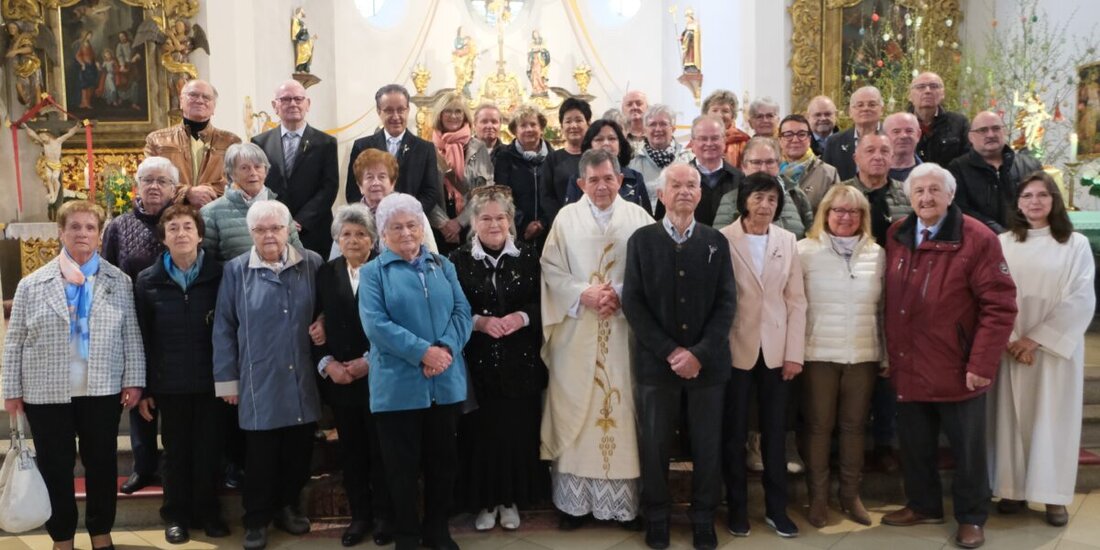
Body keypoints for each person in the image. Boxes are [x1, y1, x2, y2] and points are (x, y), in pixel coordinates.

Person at [882, 163, 1017, 550]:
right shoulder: (897, 233)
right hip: (908, 361)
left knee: (967, 451)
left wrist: (981, 363)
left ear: (950, 195)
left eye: (934, 191)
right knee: (916, 444)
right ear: (909, 197)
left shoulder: (978, 238)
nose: (926, 198)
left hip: (957, 365)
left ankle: (972, 518)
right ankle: (923, 504)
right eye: (919, 191)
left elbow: (1000, 305)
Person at [2, 200, 145, 550]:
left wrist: (134, 379)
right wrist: (11, 390)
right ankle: (62, 537)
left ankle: (101, 533)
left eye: (89, 227)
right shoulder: (32, 284)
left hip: (102, 387)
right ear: (61, 232)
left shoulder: (118, 281)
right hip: (45, 392)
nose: (82, 233)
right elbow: (15, 340)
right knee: (55, 466)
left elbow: (131, 335)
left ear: (99, 234)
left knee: (101, 464)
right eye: (75, 227)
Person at [622, 163, 736, 550]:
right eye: (676, 185)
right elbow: (633, 303)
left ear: (700, 195)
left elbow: (726, 304)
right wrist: (672, 352)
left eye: (692, 185)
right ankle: (657, 516)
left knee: (707, 444)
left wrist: (699, 354)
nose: (685, 191)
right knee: (654, 445)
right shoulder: (641, 240)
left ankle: (703, 517)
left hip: (708, 366)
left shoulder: (715, 242)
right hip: (657, 365)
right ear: (661, 194)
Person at [541, 149, 654, 530]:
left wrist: (620, 293)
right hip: (576, 333)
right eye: (594, 180)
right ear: (580, 184)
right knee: (578, 408)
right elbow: (550, 268)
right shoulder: (565, 218)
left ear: (621, 180)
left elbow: (651, 267)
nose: (602, 186)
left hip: (624, 332)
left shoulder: (639, 217)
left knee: (622, 411)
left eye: (609, 178)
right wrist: (582, 293)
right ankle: (574, 506)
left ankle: (621, 506)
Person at [359, 193, 473, 550]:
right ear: (383, 233)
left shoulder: (444, 265)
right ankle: (407, 535)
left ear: (423, 227)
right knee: (401, 470)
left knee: (443, 464)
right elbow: (376, 325)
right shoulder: (372, 272)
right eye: (397, 227)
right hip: (397, 387)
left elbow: (462, 313)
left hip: (445, 380)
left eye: (412, 225)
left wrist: (445, 349)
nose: (407, 233)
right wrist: (423, 352)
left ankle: (437, 530)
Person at [213, 200, 324, 550]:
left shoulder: (312, 264)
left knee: (297, 450)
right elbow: (224, 328)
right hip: (257, 378)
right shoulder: (235, 270)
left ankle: (287, 508)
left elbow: (330, 308)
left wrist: (324, 323)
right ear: (251, 234)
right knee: (259, 457)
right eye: (260, 230)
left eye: (275, 228)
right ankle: (257, 519)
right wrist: (227, 380)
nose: (269, 235)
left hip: (302, 375)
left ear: (288, 229)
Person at [989, 172, 1095, 527]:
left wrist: (1033, 340)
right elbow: (992, 294)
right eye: (1028, 196)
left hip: (1051, 351)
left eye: (1043, 196)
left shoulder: (1074, 244)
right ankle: (1011, 489)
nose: (1035, 202)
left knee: (1053, 420)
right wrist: (1011, 339)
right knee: (1009, 418)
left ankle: (1052, 496)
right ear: (1017, 203)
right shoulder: (1002, 243)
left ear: (1055, 201)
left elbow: (1080, 298)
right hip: (1010, 347)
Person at [449, 186, 548, 532]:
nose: (494, 224)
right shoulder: (457, 260)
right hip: (477, 363)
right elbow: (451, 309)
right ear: (474, 222)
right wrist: (479, 322)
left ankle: (511, 500)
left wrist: (521, 317)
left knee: (516, 432)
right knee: (482, 434)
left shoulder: (530, 256)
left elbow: (543, 301)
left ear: (511, 221)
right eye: (486, 218)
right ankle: (485, 501)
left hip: (521, 361)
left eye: (500, 217)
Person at [134, 205, 229, 544]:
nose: (181, 234)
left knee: (208, 450)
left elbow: (231, 329)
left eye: (187, 227)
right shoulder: (148, 281)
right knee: (175, 453)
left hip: (211, 381)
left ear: (200, 234)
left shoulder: (220, 275)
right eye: (172, 228)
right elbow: (141, 336)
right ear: (163, 238)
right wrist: (144, 387)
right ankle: (176, 516)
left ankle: (209, 513)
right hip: (169, 383)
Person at [719, 172, 807, 539]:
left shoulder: (787, 240)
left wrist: (794, 354)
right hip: (735, 348)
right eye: (758, 197)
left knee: (774, 433)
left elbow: (796, 300)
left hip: (775, 349)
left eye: (772, 199)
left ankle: (776, 509)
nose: (765, 205)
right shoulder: (724, 238)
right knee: (734, 432)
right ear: (744, 200)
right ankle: (737, 509)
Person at [796, 185, 884, 528]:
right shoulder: (805, 251)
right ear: (825, 214)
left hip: (862, 354)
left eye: (853, 212)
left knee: (854, 427)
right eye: (838, 211)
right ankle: (817, 497)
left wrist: (885, 354)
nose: (845, 217)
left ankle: (850, 495)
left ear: (863, 217)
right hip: (818, 353)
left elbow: (883, 309)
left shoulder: (878, 253)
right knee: (819, 428)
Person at [314, 204, 394, 546]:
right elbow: (313, 324)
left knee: (382, 452)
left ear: (373, 239)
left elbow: (398, 324)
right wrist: (328, 363)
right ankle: (359, 517)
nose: (353, 239)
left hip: (380, 376)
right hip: (342, 379)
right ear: (336, 239)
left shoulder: (386, 271)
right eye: (346, 234)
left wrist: (368, 362)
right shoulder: (325, 273)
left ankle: (384, 517)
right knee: (352, 453)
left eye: (361, 233)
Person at [102, 156, 177, 496]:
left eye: (162, 180)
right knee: (136, 394)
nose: (154, 186)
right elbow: (105, 274)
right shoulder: (118, 226)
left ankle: (175, 466)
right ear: (137, 186)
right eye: (147, 180)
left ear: (174, 188)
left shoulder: (184, 221)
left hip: (176, 322)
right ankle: (143, 465)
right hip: (133, 323)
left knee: (175, 400)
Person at [841, 133, 911, 472]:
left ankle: (886, 442)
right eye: (870, 150)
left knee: (888, 371)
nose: (878, 156)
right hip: (851, 289)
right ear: (856, 157)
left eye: (885, 150)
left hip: (895, 291)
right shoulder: (842, 194)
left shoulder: (905, 196)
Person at [252, 79, 338, 258]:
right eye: (285, 99)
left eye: (298, 99)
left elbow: (329, 187)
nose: (293, 104)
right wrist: (279, 222)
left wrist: (300, 221)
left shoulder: (326, 143)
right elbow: (258, 185)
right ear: (275, 106)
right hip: (272, 230)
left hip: (313, 229)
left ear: (308, 104)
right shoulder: (260, 142)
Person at [345, 84, 441, 215]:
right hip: (370, 224)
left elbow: (431, 193)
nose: (396, 116)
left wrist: (407, 215)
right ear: (379, 111)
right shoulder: (362, 146)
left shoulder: (425, 149)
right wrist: (371, 216)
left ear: (408, 110)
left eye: (401, 110)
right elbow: (353, 191)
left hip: (410, 223)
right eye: (389, 110)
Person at [145, 79, 242, 207]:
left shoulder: (230, 142)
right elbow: (148, 179)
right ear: (181, 101)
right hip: (171, 216)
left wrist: (207, 192)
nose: (200, 100)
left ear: (214, 107)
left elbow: (238, 180)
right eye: (193, 95)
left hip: (216, 215)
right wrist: (187, 193)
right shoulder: (157, 140)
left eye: (206, 97)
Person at [201, 142, 303, 262]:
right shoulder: (210, 213)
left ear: (266, 171)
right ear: (231, 173)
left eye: (258, 167)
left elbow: (297, 254)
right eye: (244, 168)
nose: (253, 173)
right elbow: (207, 264)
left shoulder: (280, 209)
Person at [948, 111, 1042, 234]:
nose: (990, 134)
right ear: (971, 137)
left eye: (996, 128)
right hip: (981, 241)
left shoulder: (1029, 166)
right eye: (983, 130)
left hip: (1027, 238)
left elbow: (1043, 202)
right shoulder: (958, 169)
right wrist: (1000, 233)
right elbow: (961, 210)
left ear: (1005, 131)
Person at [429, 92, 494, 252]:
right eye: (448, 111)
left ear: (465, 116)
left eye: (458, 111)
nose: (454, 116)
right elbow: (424, 191)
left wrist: (459, 222)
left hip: (470, 224)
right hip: (438, 227)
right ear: (440, 115)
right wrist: (444, 224)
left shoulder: (477, 147)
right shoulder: (427, 149)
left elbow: (484, 191)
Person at [713, 136, 813, 238]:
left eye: (770, 162)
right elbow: (719, 242)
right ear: (744, 166)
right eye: (756, 162)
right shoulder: (730, 199)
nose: (764, 169)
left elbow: (813, 237)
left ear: (778, 165)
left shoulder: (796, 195)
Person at [346, 148, 438, 255]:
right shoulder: (349, 217)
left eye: (382, 177)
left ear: (392, 183)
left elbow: (432, 255)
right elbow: (337, 262)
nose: (376, 182)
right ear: (360, 186)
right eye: (369, 177)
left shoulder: (412, 212)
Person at [494, 104, 559, 250]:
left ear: (541, 129)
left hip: (549, 230)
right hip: (515, 230)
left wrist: (542, 223)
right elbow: (502, 195)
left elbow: (556, 195)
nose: (529, 129)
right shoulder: (504, 157)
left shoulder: (554, 158)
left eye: (533, 124)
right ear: (515, 131)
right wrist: (522, 223)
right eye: (523, 125)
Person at [566, 119, 652, 214]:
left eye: (612, 139)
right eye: (599, 139)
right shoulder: (577, 180)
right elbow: (571, 218)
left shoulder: (635, 178)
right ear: (589, 146)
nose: (606, 143)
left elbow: (645, 218)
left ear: (620, 145)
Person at [630, 104, 694, 212]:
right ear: (645, 130)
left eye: (663, 124)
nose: (658, 129)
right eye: (652, 124)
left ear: (673, 128)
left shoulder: (689, 159)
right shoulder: (634, 164)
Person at [688, 115, 745, 226]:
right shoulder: (679, 179)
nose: (709, 144)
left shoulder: (739, 179)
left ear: (724, 141)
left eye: (715, 138)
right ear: (692, 143)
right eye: (703, 138)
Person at [778, 114, 840, 212]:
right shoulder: (771, 172)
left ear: (809, 140)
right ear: (780, 140)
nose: (795, 140)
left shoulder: (828, 174)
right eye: (788, 135)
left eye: (801, 134)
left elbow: (836, 212)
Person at [908, 72, 970, 166]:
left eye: (934, 86)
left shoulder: (959, 123)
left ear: (943, 94)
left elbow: (968, 160)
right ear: (910, 96)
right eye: (921, 87)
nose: (927, 91)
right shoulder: (899, 124)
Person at [823, 86, 884, 180]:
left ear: (882, 110)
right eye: (860, 105)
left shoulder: (892, 138)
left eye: (872, 104)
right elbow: (826, 180)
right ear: (850, 112)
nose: (866, 108)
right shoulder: (834, 142)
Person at [546, 97, 591, 205]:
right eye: (568, 121)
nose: (573, 126)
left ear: (588, 124)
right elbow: (546, 196)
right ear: (562, 126)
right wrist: (562, 219)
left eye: (579, 120)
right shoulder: (552, 159)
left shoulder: (596, 157)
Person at [702, 89, 751, 168]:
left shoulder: (744, 142)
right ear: (706, 114)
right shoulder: (697, 139)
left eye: (725, 111)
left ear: (733, 115)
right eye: (715, 110)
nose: (720, 115)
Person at [884, 112, 923, 182]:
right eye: (896, 131)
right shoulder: (869, 174)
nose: (903, 136)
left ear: (918, 135)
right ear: (885, 137)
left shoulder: (930, 176)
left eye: (909, 131)